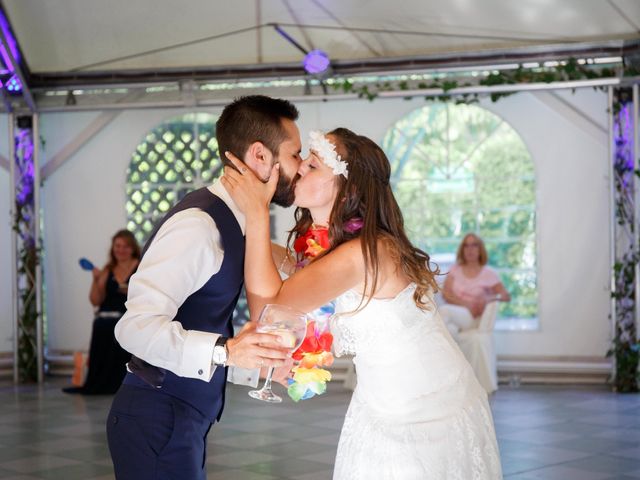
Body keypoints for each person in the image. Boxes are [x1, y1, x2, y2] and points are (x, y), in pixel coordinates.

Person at [221, 128, 502, 479]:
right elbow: (286, 268)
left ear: (348, 188)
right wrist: (235, 231)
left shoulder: (365, 254)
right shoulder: (335, 249)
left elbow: (272, 307)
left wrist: (258, 213)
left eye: (313, 165)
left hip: (427, 415)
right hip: (378, 408)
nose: (299, 170)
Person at [106, 95, 303, 480]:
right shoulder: (200, 225)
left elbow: (208, 326)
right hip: (155, 420)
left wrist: (250, 363)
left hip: (184, 420)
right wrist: (227, 351)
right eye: (295, 155)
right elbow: (134, 327)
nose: (299, 168)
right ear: (260, 156)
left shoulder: (238, 222)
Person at [63, 229, 140, 395]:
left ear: (132, 248)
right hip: (106, 317)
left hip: (128, 317)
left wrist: (127, 290)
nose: (121, 250)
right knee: (102, 325)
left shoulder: (140, 267)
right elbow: (95, 300)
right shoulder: (108, 269)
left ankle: (123, 383)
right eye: (117, 246)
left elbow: (144, 293)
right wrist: (96, 279)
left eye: (125, 246)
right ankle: (101, 382)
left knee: (120, 328)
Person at [440, 233, 511, 335]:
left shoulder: (488, 273)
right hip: (455, 313)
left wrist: (489, 298)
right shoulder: (454, 269)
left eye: (474, 245)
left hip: (473, 317)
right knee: (450, 330)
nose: (470, 249)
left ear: (480, 249)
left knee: (443, 311)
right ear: (462, 249)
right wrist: (467, 304)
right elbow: (446, 294)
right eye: (466, 245)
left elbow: (506, 296)